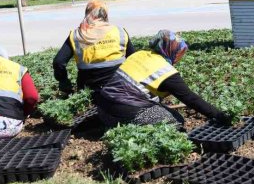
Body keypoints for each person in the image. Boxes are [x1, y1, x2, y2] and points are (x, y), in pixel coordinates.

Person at [96, 30, 230, 128]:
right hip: (121, 116)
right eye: (179, 53)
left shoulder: (139, 54)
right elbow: (191, 98)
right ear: (171, 50)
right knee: (176, 120)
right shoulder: (165, 71)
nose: (179, 57)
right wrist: (219, 115)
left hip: (102, 110)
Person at [52, 0, 134, 93]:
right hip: (119, 88)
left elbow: (58, 62)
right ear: (106, 14)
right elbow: (133, 59)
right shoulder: (119, 32)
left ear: (87, 13)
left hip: (89, 91)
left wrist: (64, 81)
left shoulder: (77, 35)